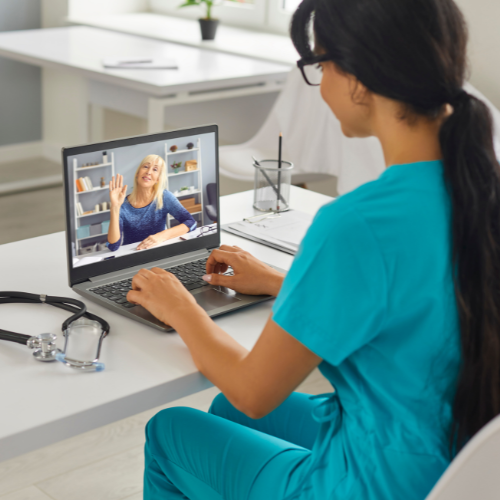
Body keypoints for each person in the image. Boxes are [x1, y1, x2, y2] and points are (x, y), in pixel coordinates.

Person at [126, 0, 500, 498]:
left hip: (371, 483)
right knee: (222, 410)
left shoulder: (356, 222)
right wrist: (283, 283)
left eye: (320, 65)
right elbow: (420, 298)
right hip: (458, 463)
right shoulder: (481, 187)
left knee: (172, 429)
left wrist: (180, 307)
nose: (319, 84)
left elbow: (255, 392)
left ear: (359, 79)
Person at [107, 155, 197, 251]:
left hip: (159, 253)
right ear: (137, 173)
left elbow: (191, 223)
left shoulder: (164, 197)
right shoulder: (123, 205)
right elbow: (113, 246)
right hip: (133, 256)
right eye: (145, 166)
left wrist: (162, 236)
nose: (148, 172)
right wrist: (115, 207)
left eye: (155, 169)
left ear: (158, 179)